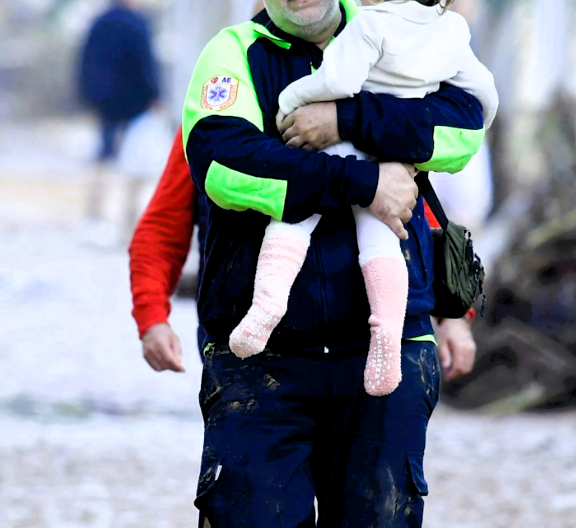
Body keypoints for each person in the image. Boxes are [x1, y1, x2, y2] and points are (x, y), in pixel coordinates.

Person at [178, 0, 487, 528]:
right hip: (260, 361)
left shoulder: (405, 30)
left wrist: (348, 118)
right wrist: (359, 178)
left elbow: (463, 129)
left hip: (384, 350)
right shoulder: (231, 56)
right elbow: (226, 165)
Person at [229, 0, 497, 396]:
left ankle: (269, 305)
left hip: (353, 163)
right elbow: (481, 98)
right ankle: (386, 337)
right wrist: (374, 177)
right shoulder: (448, 30)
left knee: (294, 221)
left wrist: (308, 108)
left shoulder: (368, 26)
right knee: (382, 241)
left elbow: (341, 81)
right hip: (390, 171)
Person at [128, 126, 479, 381]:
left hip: (361, 346)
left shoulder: (369, 108)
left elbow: (411, 211)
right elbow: (163, 227)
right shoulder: (215, 118)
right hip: (246, 347)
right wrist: (152, 318)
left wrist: (454, 314)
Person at [76, 0, 161, 233]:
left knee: (104, 153)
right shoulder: (138, 22)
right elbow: (147, 64)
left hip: (105, 100)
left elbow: (85, 60)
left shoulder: (100, 21)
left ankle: (94, 212)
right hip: (135, 101)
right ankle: (127, 217)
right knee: (134, 157)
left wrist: (87, 94)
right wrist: (155, 96)